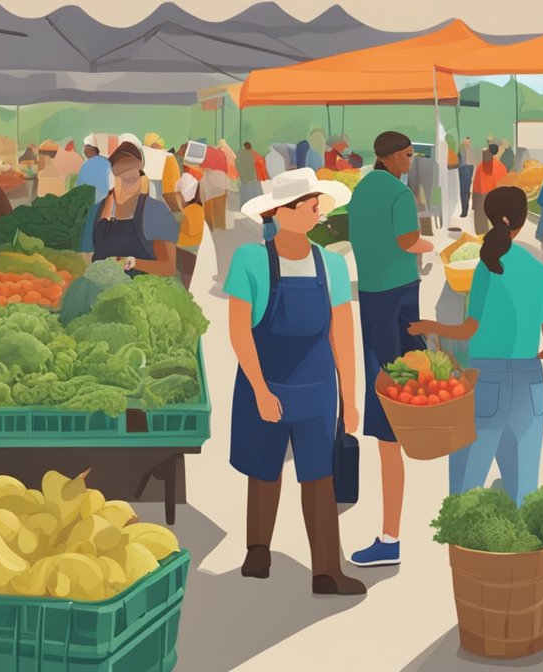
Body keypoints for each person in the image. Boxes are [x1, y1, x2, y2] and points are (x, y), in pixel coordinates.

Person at [225, 168, 365, 597]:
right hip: (264, 381)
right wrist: (261, 390)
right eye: (308, 204)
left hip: (317, 386)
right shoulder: (250, 260)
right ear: (280, 213)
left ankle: (326, 570)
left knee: (320, 477)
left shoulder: (333, 264)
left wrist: (350, 398)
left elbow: (342, 332)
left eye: (316, 203)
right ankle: (257, 550)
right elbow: (238, 331)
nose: (317, 210)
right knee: (263, 469)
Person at [409, 186, 543, 504]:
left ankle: (461, 547)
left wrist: (430, 327)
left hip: (484, 380)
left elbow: (468, 330)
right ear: (522, 221)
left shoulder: (486, 267)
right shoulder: (540, 272)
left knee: (466, 485)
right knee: (524, 492)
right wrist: (526, 355)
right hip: (530, 383)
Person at [346, 131, 435, 568]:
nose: (409, 160)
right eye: (406, 154)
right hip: (401, 290)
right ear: (389, 156)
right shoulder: (399, 194)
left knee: (383, 374)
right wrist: (431, 245)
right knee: (407, 372)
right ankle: (390, 534)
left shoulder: (361, 190)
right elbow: (407, 242)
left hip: (373, 293)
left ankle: (404, 427)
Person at [81, 142, 178, 277]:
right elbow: (86, 258)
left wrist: (134, 263)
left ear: (142, 179)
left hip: (144, 293)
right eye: (116, 182)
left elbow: (168, 268)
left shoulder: (155, 212)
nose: (120, 191)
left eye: (130, 180)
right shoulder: (96, 211)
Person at [173, 173, 206, 290]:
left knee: (180, 281)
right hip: (193, 249)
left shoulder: (188, 211)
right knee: (186, 281)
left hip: (184, 249)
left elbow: (189, 229)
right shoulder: (199, 208)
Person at [471, 143, 507, 235]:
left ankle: (482, 242)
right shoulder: (500, 167)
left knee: (481, 226)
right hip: (495, 196)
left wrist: (474, 203)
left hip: (481, 197)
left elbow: (476, 183)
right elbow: (503, 184)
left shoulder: (481, 165)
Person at [75, 137, 112, 201]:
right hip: (105, 197)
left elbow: (78, 186)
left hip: (91, 198)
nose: (83, 152)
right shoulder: (107, 162)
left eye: (85, 149)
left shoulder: (85, 165)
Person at [237, 141, 264, 207]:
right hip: (255, 179)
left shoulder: (240, 154)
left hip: (245, 181)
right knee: (256, 196)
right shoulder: (255, 154)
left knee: (245, 197)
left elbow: (238, 166)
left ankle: (245, 208)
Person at [458, 136, 475, 221]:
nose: (468, 142)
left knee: (465, 192)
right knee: (464, 192)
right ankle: (464, 210)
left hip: (467, 170)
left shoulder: (470, 149)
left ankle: (465, 210)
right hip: (463, 169)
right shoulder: (460, 148)